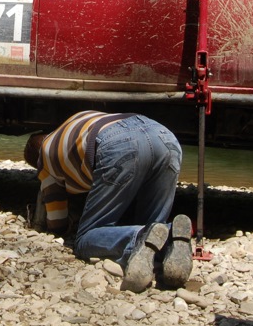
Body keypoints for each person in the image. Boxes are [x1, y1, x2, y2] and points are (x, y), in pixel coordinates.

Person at [24, 110, 193, 292]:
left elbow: (56, 222)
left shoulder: (45, 160)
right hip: (163, 135)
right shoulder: (72, 124)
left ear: (36, 160)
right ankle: (169, 235)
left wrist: (62, 225)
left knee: (85, 239)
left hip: (119, 144)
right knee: (152, 224)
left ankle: (137, 237)